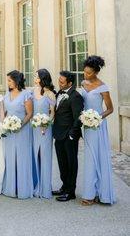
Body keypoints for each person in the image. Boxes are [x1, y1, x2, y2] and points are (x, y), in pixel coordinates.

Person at [81, 56, 115, 205]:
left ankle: (93, 194)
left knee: (96, 157)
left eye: (89, 73)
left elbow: (110, 109)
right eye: (85, 72)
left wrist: (96, 118)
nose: (86, 75)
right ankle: (91, 191)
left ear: (96, 72)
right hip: (86, 126)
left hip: (97, 126)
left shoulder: (103, 87)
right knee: (88, 158)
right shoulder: (83, 83)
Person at [52, 70, 84, 202]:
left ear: (69, 83)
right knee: (62, 162)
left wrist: (72, 134)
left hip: (69, 136)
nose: (59, 83)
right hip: (58, 134)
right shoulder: (59, 93)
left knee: (71, 163)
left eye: (61, 81)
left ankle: (71, 192)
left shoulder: (75, 96)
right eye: (59, 80)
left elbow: (78, 118)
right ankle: (64, 187)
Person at [2, 70, 33, 199]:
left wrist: (20, 124)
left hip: (22, 130)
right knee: (9, 157)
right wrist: (4, 123)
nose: (7, 83)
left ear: (16, 81)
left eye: (9, 80)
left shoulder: (26, 94)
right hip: (8, 131)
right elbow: (4, 112)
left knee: (21, 157)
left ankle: (23, 188)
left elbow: (29, 113)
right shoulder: (6, 94)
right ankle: (11, 187)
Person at [32, 69, 55, 199]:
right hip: (34, 128)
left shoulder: (50, 94)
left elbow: (52, 113)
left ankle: (45, 188)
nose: (34, 77)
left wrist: (47, 123)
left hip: (45, 129)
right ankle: (36, 184)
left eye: (36, 76)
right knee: (35, 155)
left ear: (42, 78)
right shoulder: (32, 91)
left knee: (44, 156)